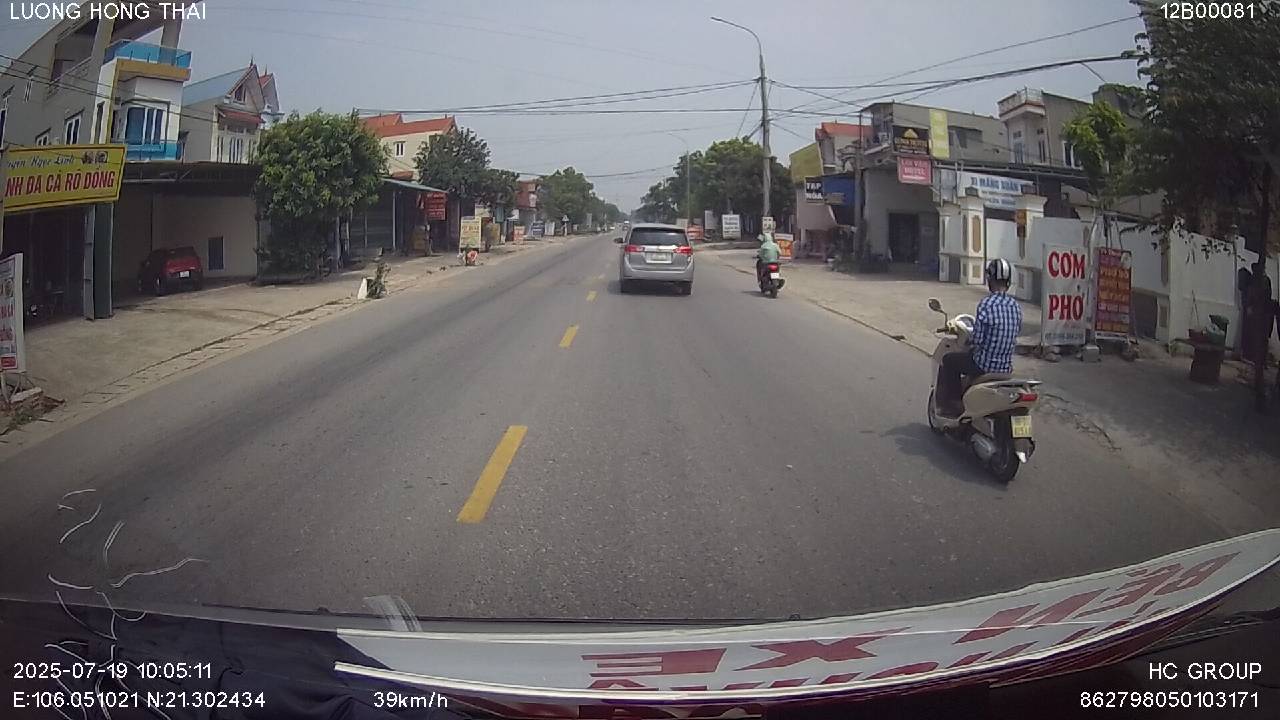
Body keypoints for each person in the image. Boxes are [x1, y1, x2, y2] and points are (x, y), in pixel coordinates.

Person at [937, 258, 1022, 416]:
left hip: (984, 365)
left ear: (990, 280)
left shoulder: (987, 304)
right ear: (1008, 282)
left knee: (949, 360)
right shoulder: (1015, 306)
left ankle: (954, 403)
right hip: (1005, 367)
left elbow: (977, 340)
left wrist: (971, 339)